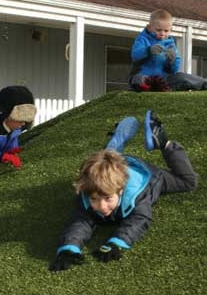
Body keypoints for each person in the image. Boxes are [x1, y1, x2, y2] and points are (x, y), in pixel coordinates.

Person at [50, 110, 198, 271]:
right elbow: (80, 222)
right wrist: (69, 248)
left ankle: (162, 141)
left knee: (188, 182)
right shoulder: (86, 193)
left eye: (107, 198)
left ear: (120, 191)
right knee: (103, 162)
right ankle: (111, 150)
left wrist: (117, 242)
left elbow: (140, 220)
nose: (101, 207)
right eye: (94, 199)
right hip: (114, 167)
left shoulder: (138, 196)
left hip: (145, 174)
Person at [129, 9, 207, 92]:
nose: (162, 33)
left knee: (182, 77)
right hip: (145, 78)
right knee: (138, 79)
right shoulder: (143, 39)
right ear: (150, 27)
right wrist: (148, 50)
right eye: (158, 30)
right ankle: (148, 87)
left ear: (171, 30)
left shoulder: (170, 44)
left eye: (166, 31)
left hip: (163, 80)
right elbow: (135, 55)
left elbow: (174, 70)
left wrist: (172, 60)